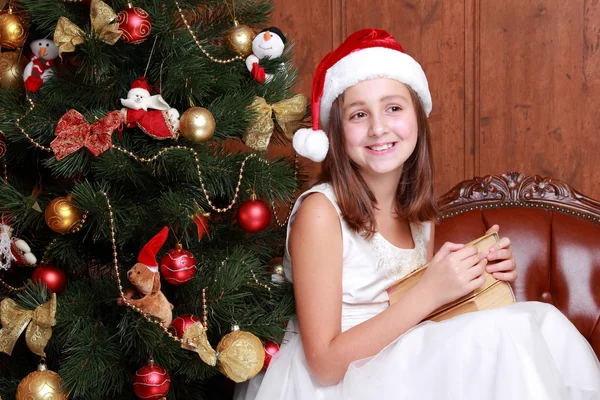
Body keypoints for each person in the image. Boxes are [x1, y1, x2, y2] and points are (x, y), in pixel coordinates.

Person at [235, 28, 600, 400]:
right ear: (337, 131)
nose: (379, 128)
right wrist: (429, 292)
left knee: (543, 321)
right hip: (340, 384)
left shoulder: (417, 213)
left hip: (398, 366)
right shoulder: (321, 212)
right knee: (506, 336)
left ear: (417, 119)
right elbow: (325, 365)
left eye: (393, 108)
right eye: (359, 114)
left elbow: (421, 320)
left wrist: (475, 278)